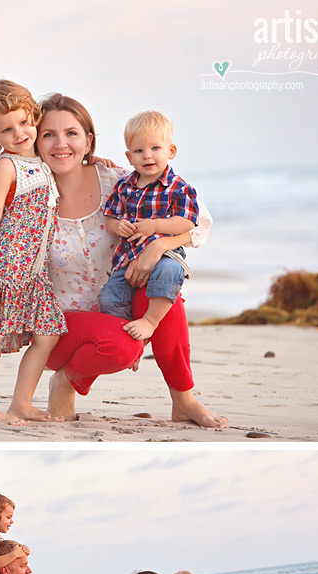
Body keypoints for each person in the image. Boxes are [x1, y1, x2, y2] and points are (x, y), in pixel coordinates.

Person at [34, 95, 226, 429]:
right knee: (123, 347)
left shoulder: (117, 180)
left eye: (72, 133)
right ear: (37, 141)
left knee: (169, 294)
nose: (61, 143)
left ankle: (184, 400)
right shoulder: (33, 196)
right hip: (62, 324)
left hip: (120, 300)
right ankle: (65, 380)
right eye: (49, 134)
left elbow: (201, 222)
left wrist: (158, 246)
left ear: (88, 140)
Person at [0, 81, 66, 425]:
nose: (19, 133)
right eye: (7, 129)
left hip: (34, 271)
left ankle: (21, 403)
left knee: (48, 333)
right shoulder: (7, 168)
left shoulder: (41, 162)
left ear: (34, 118)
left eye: (24, 122)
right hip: (8, 267)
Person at [97, 111, 203, 345]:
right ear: (129, 157)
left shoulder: (178, 187)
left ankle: (150, 322)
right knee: (108, 297)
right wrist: (118, 226)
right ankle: (129, 341)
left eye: (155, 148)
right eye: (139, 151)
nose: (148, 156)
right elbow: (110, 219)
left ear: (171, 151)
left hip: (165, 254)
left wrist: (155, 225)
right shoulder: (124, 185)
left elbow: (187, 222)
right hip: (128, 258)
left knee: (169, 274)